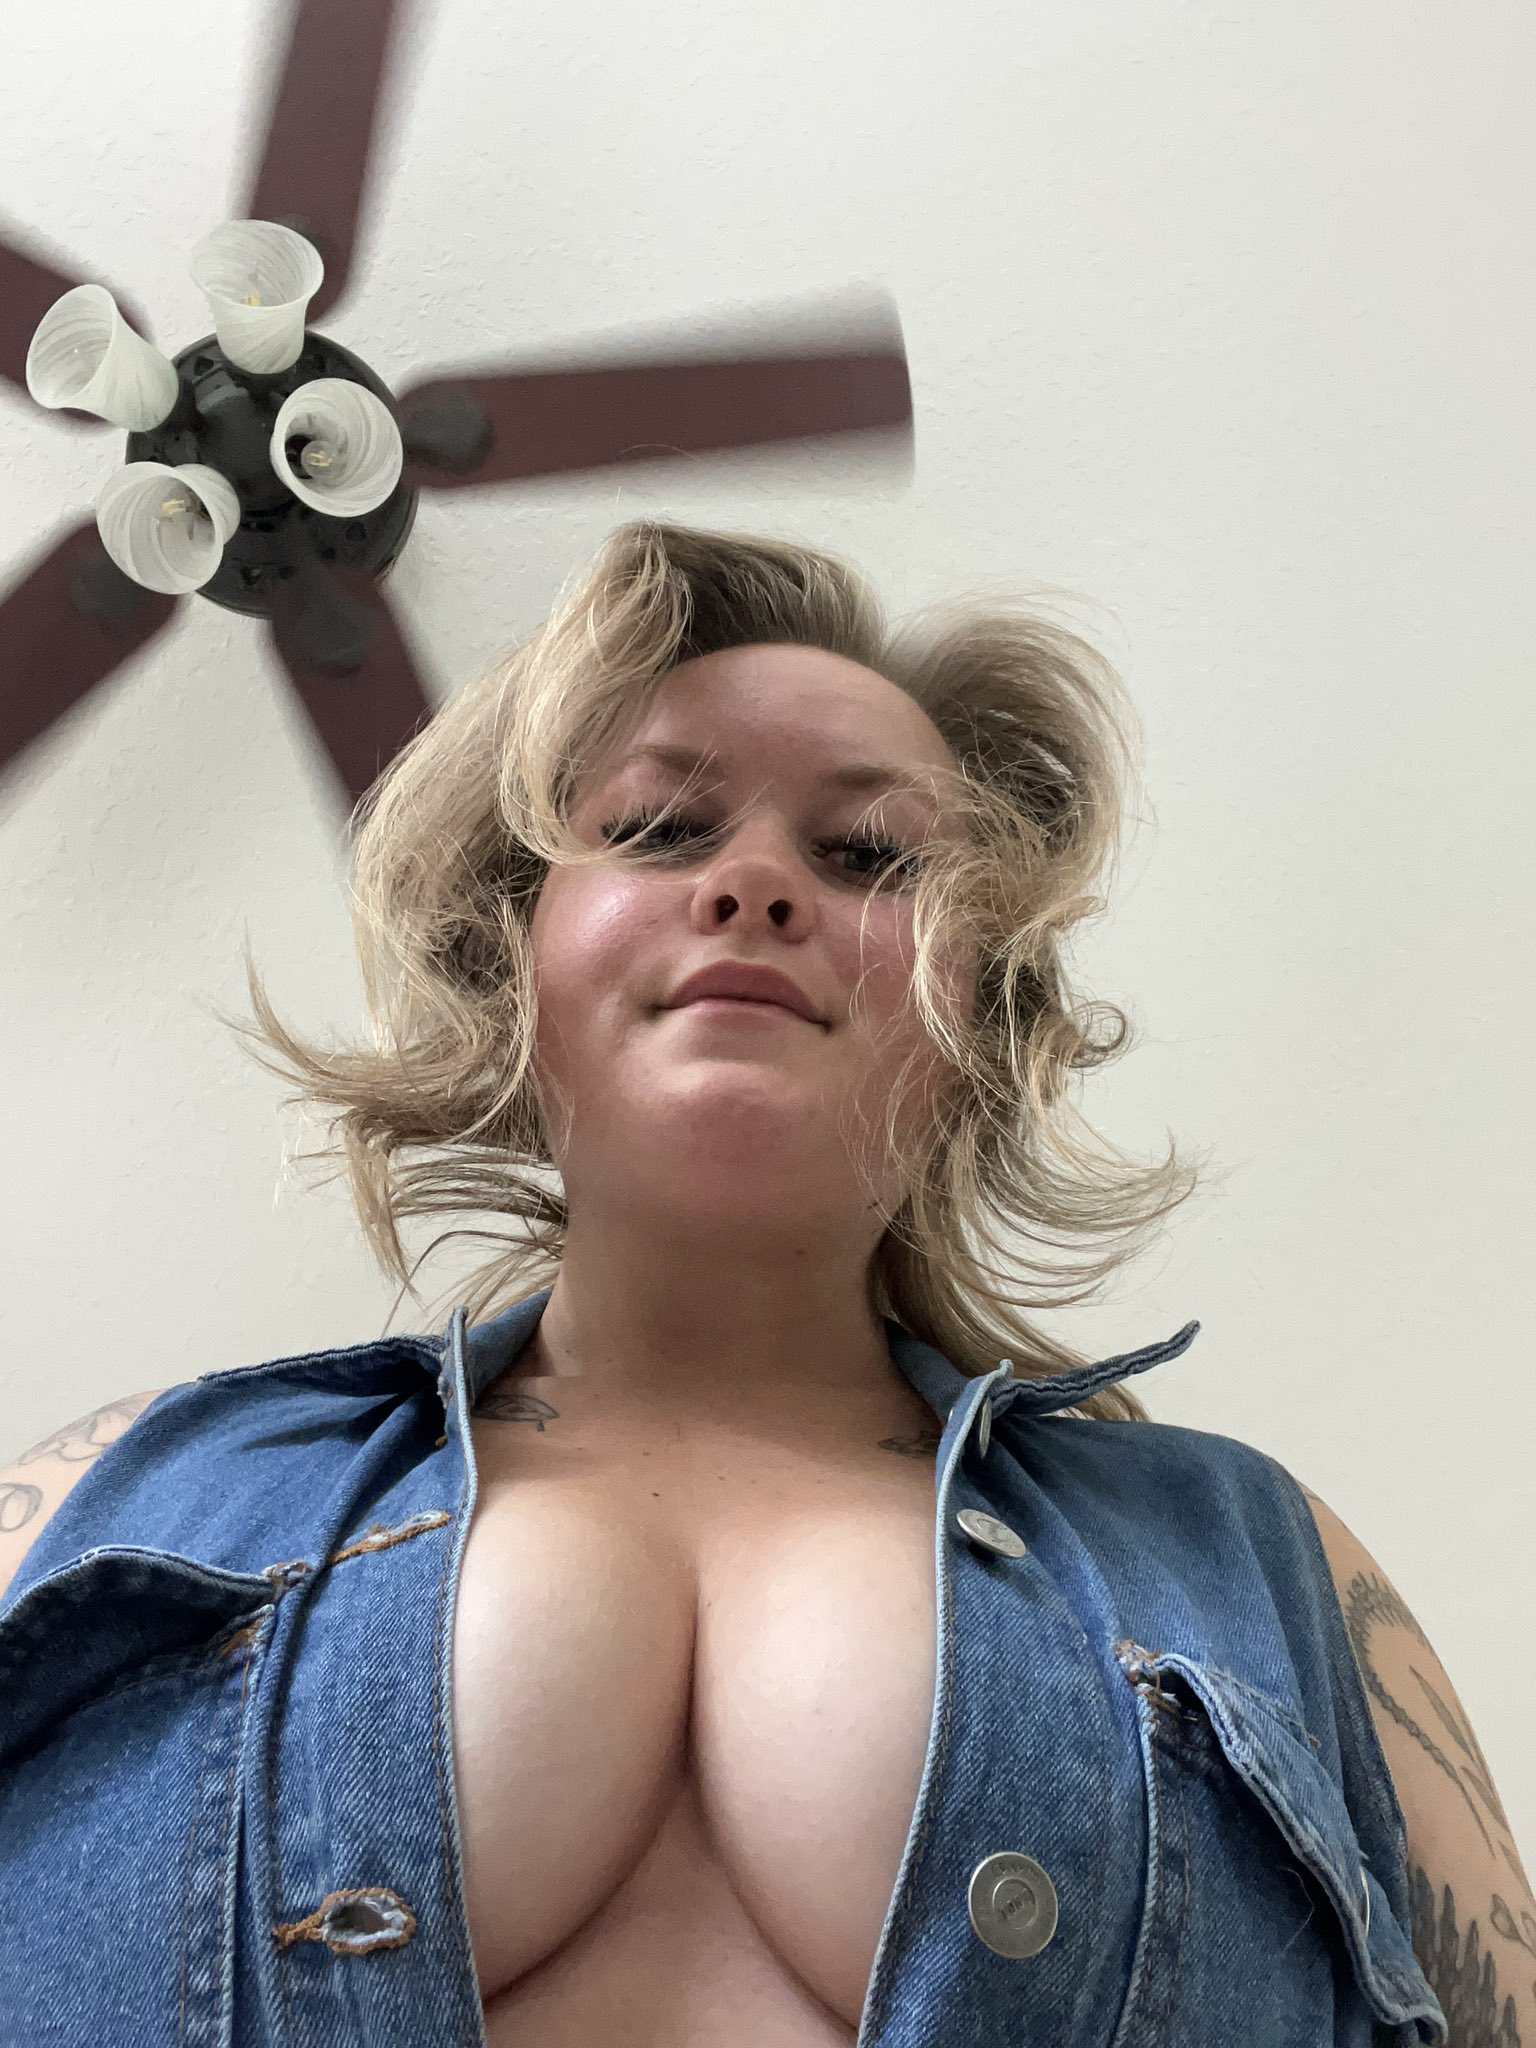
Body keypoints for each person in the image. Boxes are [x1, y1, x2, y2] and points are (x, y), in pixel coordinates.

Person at [0, 520, 1524, 2045]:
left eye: (868, 856)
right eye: (661, 828)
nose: (753, 885)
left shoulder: (1263, 1563)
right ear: (509, 958)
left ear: (986, 1021)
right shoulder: (106, 1494)